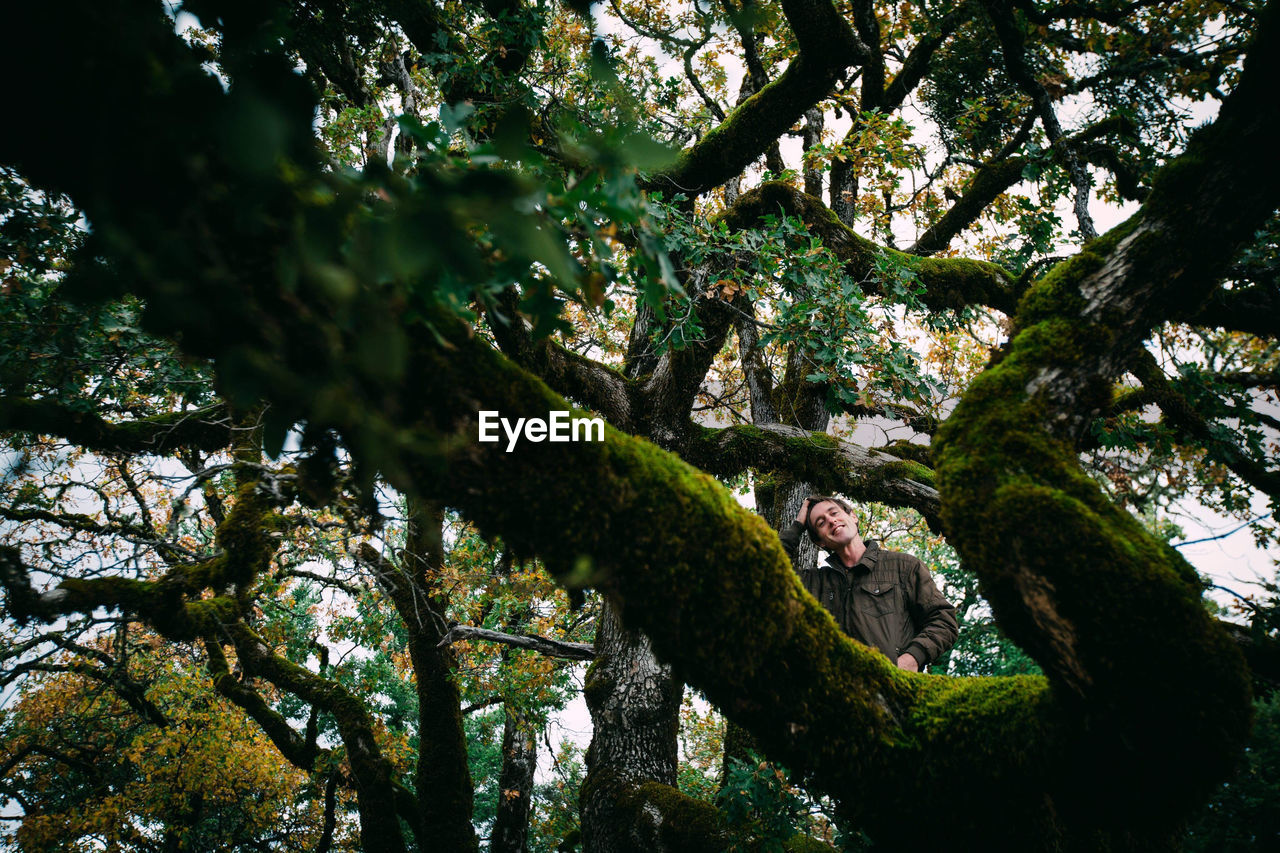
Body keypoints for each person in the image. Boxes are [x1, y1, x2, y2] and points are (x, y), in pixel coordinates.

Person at [780, 496, 957, 672]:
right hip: (833, 696)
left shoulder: (904, 567)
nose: (831, 520)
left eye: (834, 513)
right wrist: (797, 526)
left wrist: (912, 658)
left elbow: (943, 619)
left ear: (853, 516)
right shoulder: (814, 583)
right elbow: (765, 569)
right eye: (821, 523)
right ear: (820, 542)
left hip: (894, 691)